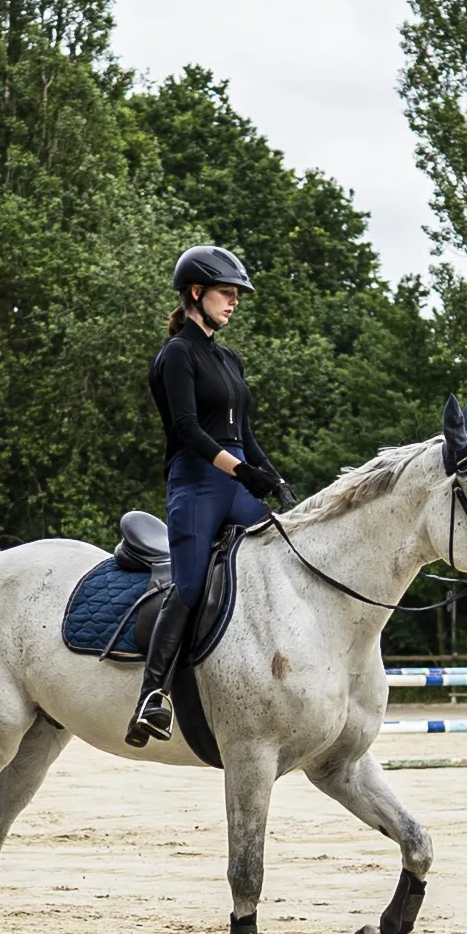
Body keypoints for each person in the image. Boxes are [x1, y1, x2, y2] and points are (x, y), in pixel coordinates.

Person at [126, 245, 291, 747]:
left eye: (237, 294)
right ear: (196, 293)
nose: (235, 301)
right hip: (197, 482)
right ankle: (152, 696)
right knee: (192, 585)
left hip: (236, 481)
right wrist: (241, 470)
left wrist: (273, 477)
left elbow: (245, 431)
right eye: (227, 292)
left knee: (284, 557)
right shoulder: (177, 353)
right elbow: (188, 429)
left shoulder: (228, 357)